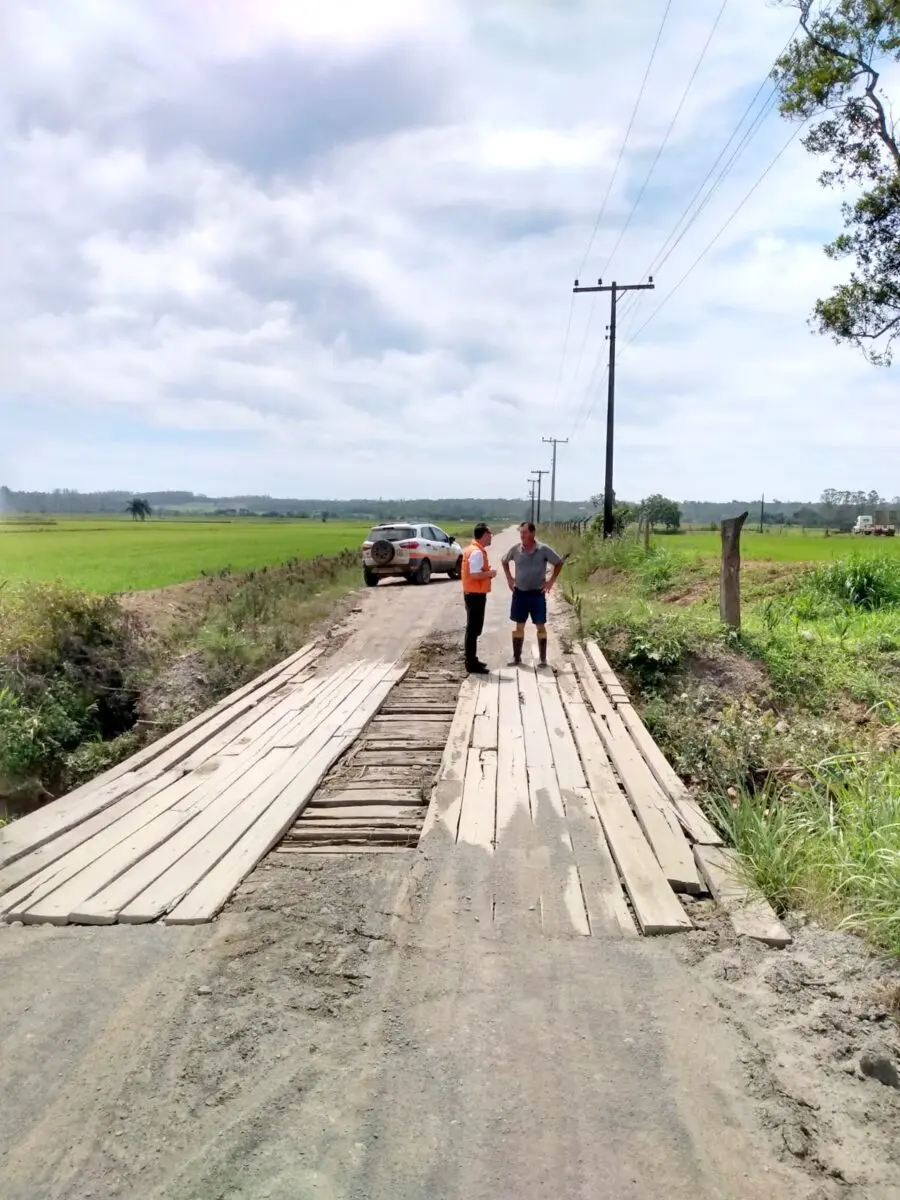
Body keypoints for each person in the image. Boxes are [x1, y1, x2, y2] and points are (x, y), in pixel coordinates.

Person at [501, 521, 564, 666]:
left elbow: (559, 562)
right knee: (519, 626)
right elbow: (504, 561)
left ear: (533, 533)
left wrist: (551, 581)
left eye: (525, 532)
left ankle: (542, 659)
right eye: (521, 533)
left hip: (537, 595)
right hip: (520, 594)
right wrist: (510, 578)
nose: (522, 536)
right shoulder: (516, 550)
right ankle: (517, 658)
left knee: (540, 625)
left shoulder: (543, 550)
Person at [460, 523, 495, 674]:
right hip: (475, 595)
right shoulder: (477, 552)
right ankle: (471, 663)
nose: (491, 536)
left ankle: (472, 660)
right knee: (473, 629)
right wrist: (490, 573)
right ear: (484, 535)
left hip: (474, 594)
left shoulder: (474, 550)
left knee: (474, 628)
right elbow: (474, 574)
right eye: (489, 534)